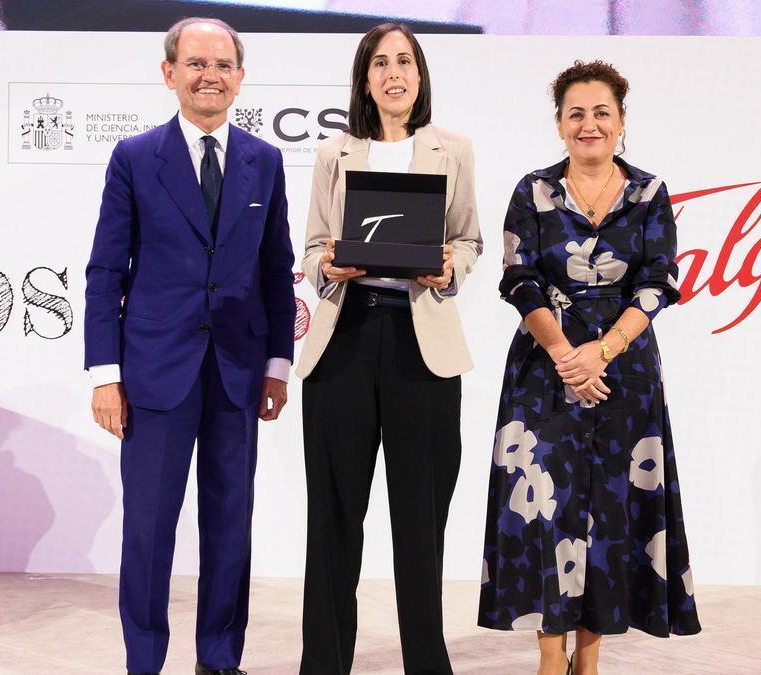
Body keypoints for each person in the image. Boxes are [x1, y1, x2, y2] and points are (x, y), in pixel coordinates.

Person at [83, 17, 295, 675]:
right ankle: (144, 659)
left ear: (240, 75)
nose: (211, 75)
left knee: (230, 527)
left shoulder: (265, 160)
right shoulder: (135, 157)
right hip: (153, 374)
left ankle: (219, 658)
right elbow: (104, 271)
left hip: (237, 371)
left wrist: (278, 364)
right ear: (169, 72)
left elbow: (275, 269)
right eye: (197, 63)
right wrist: (105, 373)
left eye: (223, 64)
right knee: (148, 531)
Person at [478, 60, 701, 675]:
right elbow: (518, 279)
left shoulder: (650, 193)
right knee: (548, 511)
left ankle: (590, 657)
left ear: (621, 120)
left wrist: (599, 353)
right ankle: (552, 655)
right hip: (543, 372)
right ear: (559, 124)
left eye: (602, 111)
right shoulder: (533, 190)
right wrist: (564, 356)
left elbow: (659, 284)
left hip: (624, 374)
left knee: (610, 512)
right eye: (576, 112)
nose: (589, 123)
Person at [294, 22, 482, 675]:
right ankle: (321, 664)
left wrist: (447, 268)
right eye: (381, 63)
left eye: (405, 61)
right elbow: (315, 247)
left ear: (420, 75)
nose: (394, 74)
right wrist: (333, 267)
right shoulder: (335, 153)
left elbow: (469, 240)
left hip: (421, 343)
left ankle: (427, 664)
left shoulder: (453, 149)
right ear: (364, 78)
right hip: (345, 338)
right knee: (334, 517)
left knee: (420, 520)